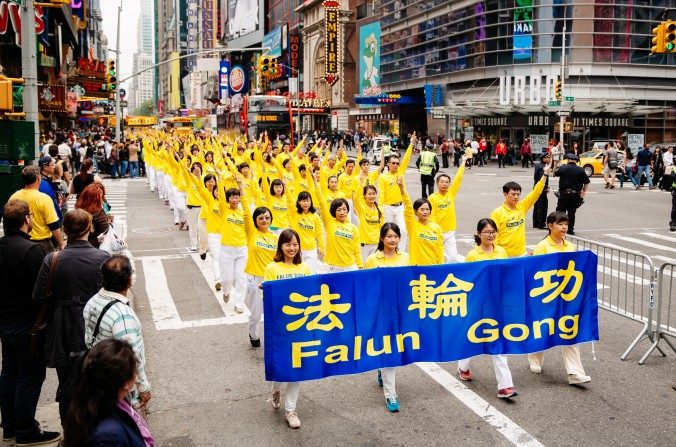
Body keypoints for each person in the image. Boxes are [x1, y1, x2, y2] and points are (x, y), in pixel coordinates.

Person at [32, 209, 110, 423]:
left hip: (61, 327)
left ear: (65, 230)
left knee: (66, 384)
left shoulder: (53, 259)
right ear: (90, 228)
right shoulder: (102, 257)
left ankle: (71, 434)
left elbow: (38, 295)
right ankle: (94, 430)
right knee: (96, 382)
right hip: (95, 325)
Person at [0, 200, 62, 445]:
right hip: (28, 323)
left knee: (9, 371)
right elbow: (44, 289)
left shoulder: (3, 246)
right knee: (30, 376)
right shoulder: (31, 251)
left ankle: (10, 426)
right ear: (26, 220)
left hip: (5, 320)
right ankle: (26, 430)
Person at [528, 211, 592, 385]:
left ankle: (574, 373)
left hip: (565, 296)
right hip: (545, 295)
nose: (564, 227)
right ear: (550, 226)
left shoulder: (570, 246)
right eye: (560, 224)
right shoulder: (542, 246)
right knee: (543, 328)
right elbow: (535, 271)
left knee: (569, 330)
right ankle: (534, 358)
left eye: (566, 224)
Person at [457, 218, 517, 399]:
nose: (490, 235)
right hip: (480, 304)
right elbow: (470, 281)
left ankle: (505, 386)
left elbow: (507, 276)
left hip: (499, 304)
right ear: (478, 234)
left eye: (493, 231)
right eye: (486, 232)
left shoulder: (501, 251)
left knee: (498, 342)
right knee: (474, 339)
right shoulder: (473, 255)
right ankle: (463, 365)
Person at [83, 255, 151, 410]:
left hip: (97, 374)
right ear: (129, 282)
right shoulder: (122, 316)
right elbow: (133, 355)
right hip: (118, 383)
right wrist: (144, 387)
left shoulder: (92, 301)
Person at [62, 339, 155, 447]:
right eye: (135, 369)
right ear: (125, 383)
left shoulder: (95, 400)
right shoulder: (108, 435)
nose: (136, 374)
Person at [263, 229, 311, 429]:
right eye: (288, 244)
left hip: (301, 325)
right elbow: (269, 297)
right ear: (280, 246)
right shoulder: (272, 268)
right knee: (281, 366)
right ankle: (276, 389)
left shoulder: (306, 268)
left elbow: (312, 294)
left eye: (295, 244)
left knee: (297, 369)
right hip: (280, 327)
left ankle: (290, 411)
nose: (292, 248)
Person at [364, 223, 409, 412]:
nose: (392, 240)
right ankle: (391, 395)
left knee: (394, 348)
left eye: (395, 236)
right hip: (381, 311)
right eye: (389, 236)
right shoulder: (373, 259)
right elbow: (366, 286)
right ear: (382, 238)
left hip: (399, 310)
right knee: (389, 350)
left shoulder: (406, 258)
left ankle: (381, 368)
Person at [239, 182, 279, 347]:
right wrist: (242, 191)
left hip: (272, 279)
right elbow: (247, 212)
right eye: (261, 218)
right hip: (256, 279)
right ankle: (253, 334)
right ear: (255, 221)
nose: (264, 220)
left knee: (274, 313)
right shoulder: (252, 232)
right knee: (256, 314)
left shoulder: (275, 238)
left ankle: (274, 340)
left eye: (267, 217)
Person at [490, 164, 550, 257]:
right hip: (504, 256)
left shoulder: (522, 206)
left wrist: (545, 174)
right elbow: (493, 236)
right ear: (505, 194)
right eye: (513, 194)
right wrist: (496, 255)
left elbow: (535, 192)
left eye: (518, 194)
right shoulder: (497, 213)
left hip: (521, 254)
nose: (516, 197)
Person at [8, 166, 65, 253]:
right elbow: (53, 225)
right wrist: (61, 243)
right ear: (38, 178)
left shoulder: (14, 197)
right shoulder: (44, 198)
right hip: (41, 244)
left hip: (19, 243)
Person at [428, 152, 468, 263]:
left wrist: (463, 161)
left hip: (450, 232)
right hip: (437, 233)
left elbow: (458, 178)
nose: (444, 184)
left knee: (453, 258)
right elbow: (432, 216)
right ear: (437, 183)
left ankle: (446, 274)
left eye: (447, 182)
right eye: (442, 182)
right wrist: (435, 231)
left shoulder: (451, 193)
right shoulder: (432, 198)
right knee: (437, 259)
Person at [377, 134, 415, 250]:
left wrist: (411, 143)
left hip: (400, 206)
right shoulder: (383, 177)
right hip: (387, 207)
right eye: (393, 163)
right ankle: (385, 250)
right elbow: (381, 193)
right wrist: (380, 208)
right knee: (387, 231)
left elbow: (407, 158)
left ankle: (401, 251)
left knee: (402, 230)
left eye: (397, 163)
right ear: (388, 163)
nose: (395, 165)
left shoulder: (400, 172)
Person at [399, 178, 443, 265]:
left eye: (427, 209)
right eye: (422, 209)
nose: (425, 212)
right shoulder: (412, 225)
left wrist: (440, 267)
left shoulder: (437, 228)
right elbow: (408, 207)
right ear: (415, 211)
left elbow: (440, 250)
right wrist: (402, 190)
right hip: (415, 268)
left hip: (432, 268)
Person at [554, 153, 589, 236]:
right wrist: (583, 191)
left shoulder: (563, 168)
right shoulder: (580, 169)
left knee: (561, 211)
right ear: (576, 161)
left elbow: (555, 173)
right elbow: (587, 182)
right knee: (572, 212)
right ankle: (570, 229)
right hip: (575, 195)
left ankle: (560, 228)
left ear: (568, 160)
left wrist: (558, 166)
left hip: (564, 194)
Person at [76, 183, 112, 249]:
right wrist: (109, 223)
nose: (103, 198)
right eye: (101, 196)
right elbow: (106, 230)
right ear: (97, 198)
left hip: (79, 243)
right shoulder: (98, 212)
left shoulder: (79, 207)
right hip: (95, 245)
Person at [532, 152, 551, 230]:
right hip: (541, 189)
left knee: (536, 206)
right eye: (548, 158)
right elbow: (542, 179)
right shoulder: (543, 167)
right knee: (542, 207)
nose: (549, 159)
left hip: (536, 188)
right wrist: (545, 188)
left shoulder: (538, 165)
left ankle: (535, 223)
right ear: (544, 158)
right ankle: (541, 224)